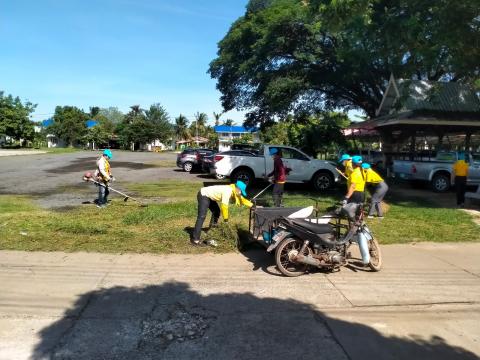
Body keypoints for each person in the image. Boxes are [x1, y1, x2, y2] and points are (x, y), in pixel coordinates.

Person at [191, 180, 253, 246]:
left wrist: (251, 205)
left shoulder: (233, 190)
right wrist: (226, 220)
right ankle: (195, 240)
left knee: (216, 212)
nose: (240, 193)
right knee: (202, 216)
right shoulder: (228, 191)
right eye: (241, 191)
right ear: (237, 188)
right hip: (203, 194)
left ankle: (212, 229)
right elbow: (224, 206)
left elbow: (242, 199)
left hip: (210, 197)